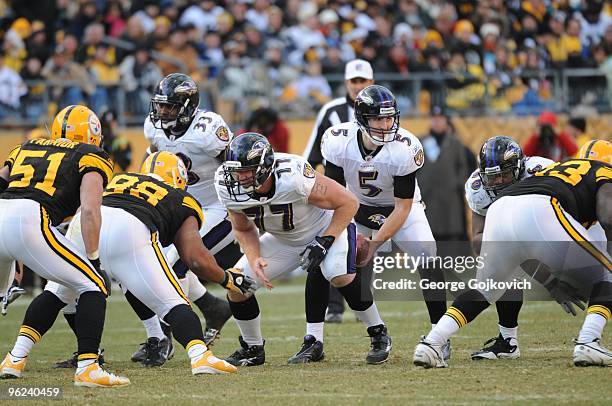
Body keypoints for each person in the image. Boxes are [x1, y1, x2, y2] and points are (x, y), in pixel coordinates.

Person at [44, 151, 255, 376]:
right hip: (134, 229)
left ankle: (17, 356)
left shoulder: (119, 179)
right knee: (160, 280)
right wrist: (226, 279)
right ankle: (185, 336)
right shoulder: (180, 194)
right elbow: (195, 258)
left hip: (95, 228)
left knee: (65, 291)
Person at [414, 142, 612, 368]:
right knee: (605, 274)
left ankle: (431, 343)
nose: (498, 181)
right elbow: (607, 219)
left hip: (502, 211)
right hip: (541, 208)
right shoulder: (604, 171)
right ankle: (589, 341)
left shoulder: (552, 168)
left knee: (484, 290)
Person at [215, 132, 392, 366]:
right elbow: (243, 229)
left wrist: (325, 239)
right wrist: (254, 256)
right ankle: (252, 347)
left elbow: (348, 202)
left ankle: (378, 333)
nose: (240, 177)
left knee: (338, 274)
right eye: (236, 171)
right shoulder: (227, 185)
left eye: (247, 170)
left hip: (326, 227)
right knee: (237, 285)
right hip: (284, 239)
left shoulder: (293, 176)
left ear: (265, 166)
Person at [306, 85, 449, 362]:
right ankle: (319, 339)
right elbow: (337, 194)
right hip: (354, 207)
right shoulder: (338, 141)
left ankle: (439, 336)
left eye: (388, 118)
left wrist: (374, 244)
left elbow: (403, 207)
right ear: (361, 119)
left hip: (400, 209)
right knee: (327, 261)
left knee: (428, 256)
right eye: (377, 119)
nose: (385, 125)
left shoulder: (405, 148)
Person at [0, 105, 129, 387]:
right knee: (94, 284)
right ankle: (88, 367)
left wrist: (12, 254)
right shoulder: (91, 155)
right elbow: (91, 210)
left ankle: (15, 359)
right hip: (31, 218)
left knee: (3, 297)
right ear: (93, 134)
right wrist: (94, 258)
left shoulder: (27, 145)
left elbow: (1, 182)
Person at [125, 72, 239, 365]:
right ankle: (211, 307)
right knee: (150, 260)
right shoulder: (154, 127)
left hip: (215, 206)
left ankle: (164, 336)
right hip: (179, 206)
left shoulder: (208, 129)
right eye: (160, 105)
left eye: (170, 106)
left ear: (189, 107)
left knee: (174, 263)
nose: (163, 112)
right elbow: (152, 160)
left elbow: (236, 165)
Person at [465, 136, 554, 360]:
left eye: (504, 174)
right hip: (519, 237)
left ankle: (592, 336)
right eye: (492, 177)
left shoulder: (541, 171)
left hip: (557, 229)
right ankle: (508, 341)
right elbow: (477, 238)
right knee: (504, 270)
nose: (498, 182)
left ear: (518, 168)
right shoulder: (478, 188)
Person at [303, 58, 375, 324]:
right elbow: (311, 153)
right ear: (346, 82)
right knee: (335, 246)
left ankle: (362, 305)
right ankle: (334, 307)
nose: (358, 86)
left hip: (370, 194)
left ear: (371, 82)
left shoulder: (381, 110)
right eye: (354, 81)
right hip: (339, 195)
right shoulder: (331, 111)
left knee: (364, 249)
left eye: (363, 81)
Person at [418, 105, 476, 242]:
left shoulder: (455, 144)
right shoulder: (421, 142)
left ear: (446, 120)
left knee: (451, 237)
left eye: (441, 118)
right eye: (434, 118)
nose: (437, 122)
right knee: (428, 236)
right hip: (427, 198)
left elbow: (463, 167)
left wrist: (457, 184)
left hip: (450, 199)